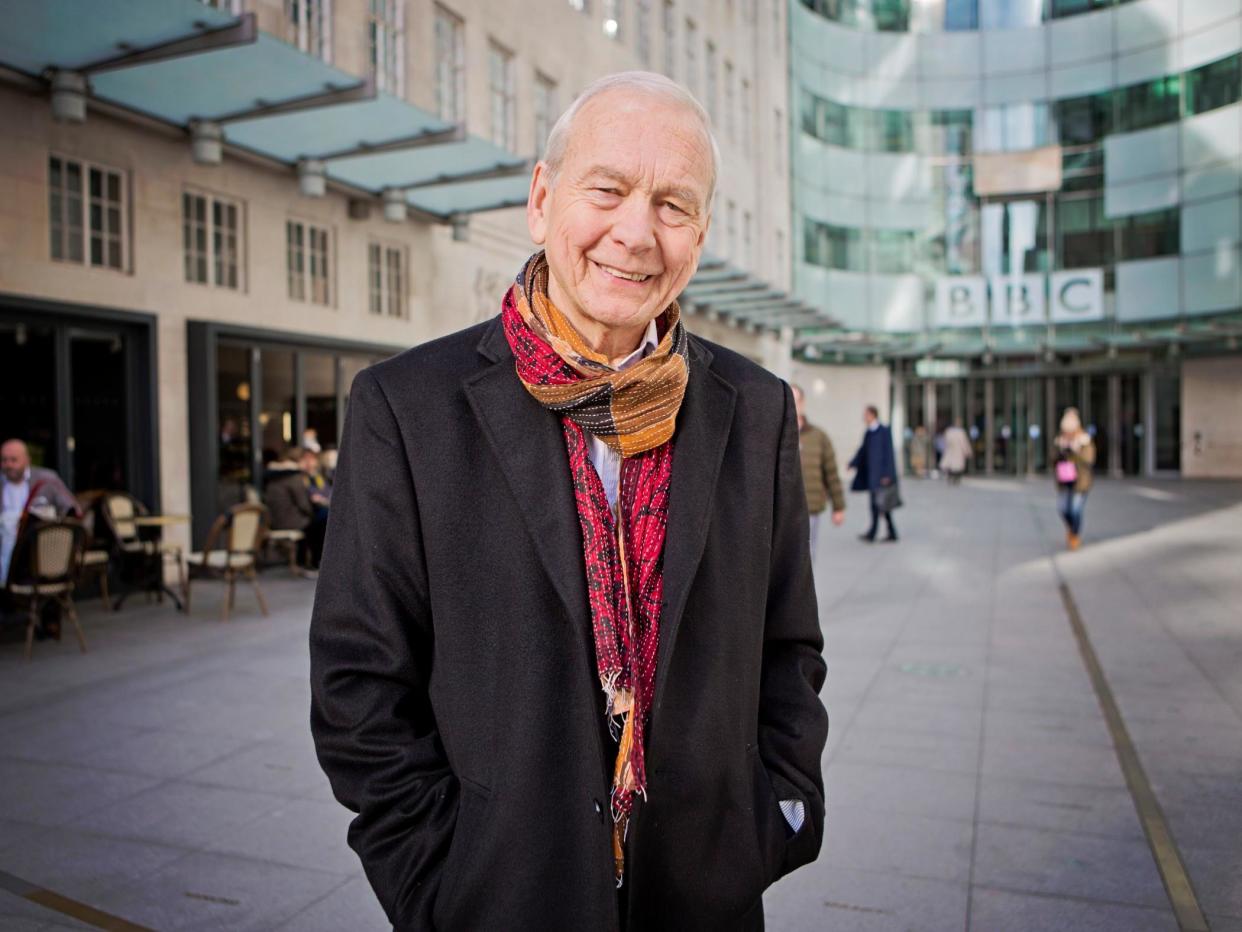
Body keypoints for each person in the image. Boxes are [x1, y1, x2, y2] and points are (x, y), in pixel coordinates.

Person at [309, 72, 827, 931]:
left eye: (673, 204)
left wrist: (778, 814)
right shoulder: (408, 408)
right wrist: (438, 879)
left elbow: (788, 644)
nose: (636, 232)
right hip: (498, 899)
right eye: (608, 189)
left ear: (699, 234)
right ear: (542, 199)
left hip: (705, 898)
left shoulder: (757, 409)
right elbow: (359, 682)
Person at [1, 439, 81, 638]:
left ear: (27, 460)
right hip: (5, 548)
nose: (8, 465)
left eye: (13, 460)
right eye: (4, 460)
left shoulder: (46, 480)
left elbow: (72, 511)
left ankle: (49, 619)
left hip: (39, 554)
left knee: (46, 552)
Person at [791, 384, 844, 561]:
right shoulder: (773, 434)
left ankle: (804, 589)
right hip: (780, 507)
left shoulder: (818, 436)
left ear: (802, 403)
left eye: (796, 400)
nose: (792, 404)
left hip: (809, 506)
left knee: (807, 553)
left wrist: (838, 507)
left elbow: (831, 473)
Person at [264, 447, 328, 569]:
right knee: (324, 519)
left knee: (321, 518)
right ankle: (315, 562)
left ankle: (306, 560)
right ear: (299, 461)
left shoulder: (275, 474)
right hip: (291, 520)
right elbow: (304, 505)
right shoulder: (293, 477)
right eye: (306, 459)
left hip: (277, 519)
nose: (309, 463)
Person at [849, 405, 899, 543]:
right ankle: (888, 533)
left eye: (865, 414)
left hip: (881, 477)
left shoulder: (884, 431)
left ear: (872, 415)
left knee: (881, 505)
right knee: (879, 505)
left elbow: (889, 454)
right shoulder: (869, 432)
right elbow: (863, 451)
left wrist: (887, 475)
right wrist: (852, 463)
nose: (863, 417)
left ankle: (875, 533)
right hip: (872, 475)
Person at [1053, 407, 1095, 551]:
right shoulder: (1060, 441)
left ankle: (1074, 535)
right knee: (1063, 508)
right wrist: (1061, 450)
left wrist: (1076, 450)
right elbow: (1052, 460)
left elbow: (1089, 459)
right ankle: (1071, 529)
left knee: (1076, 510)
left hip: (1080, 482)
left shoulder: (1084, 440)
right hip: (1064, 481)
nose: (1068, 434)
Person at [940, 418, 972, 485]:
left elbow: (945, 441)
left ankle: (952, 477)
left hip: (952, 450)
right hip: (957, 451)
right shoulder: (960, 432)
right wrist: (967, 451)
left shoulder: (949, 431)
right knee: (956, 466)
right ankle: (955, 478)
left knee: (952, 465)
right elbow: (964, 443)